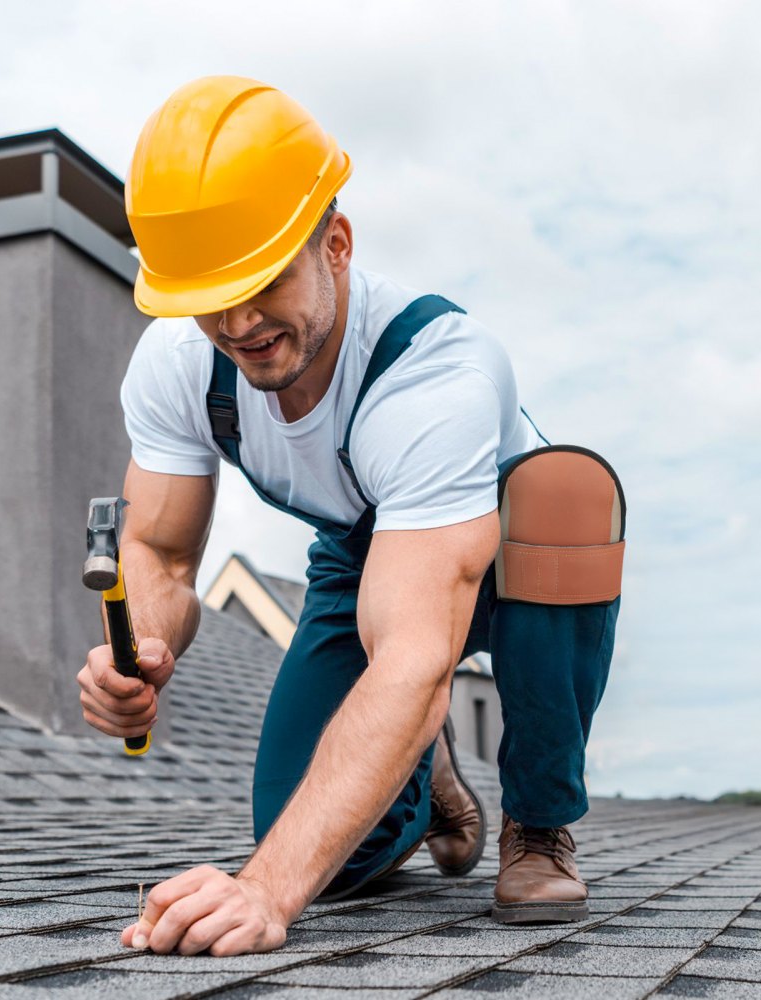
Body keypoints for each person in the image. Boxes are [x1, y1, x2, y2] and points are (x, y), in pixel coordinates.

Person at [76, 76, 624, 957]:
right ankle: (428, 775)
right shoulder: (180, 363)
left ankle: (538, 821)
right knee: (321, 839)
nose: (240, 321)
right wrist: (141, 653)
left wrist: (265, 893)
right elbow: (158, 551)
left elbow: (413, 654)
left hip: (504, 538)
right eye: (213, 295)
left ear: (335, 244)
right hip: (363, 549)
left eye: (262, 281)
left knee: (564, 502)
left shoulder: (436, 374)